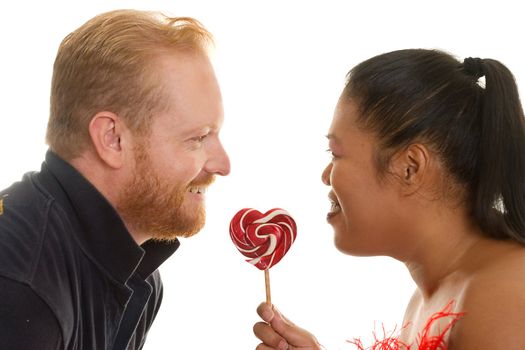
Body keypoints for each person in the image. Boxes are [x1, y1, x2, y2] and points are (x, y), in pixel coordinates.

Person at [254, 49, 525, 349]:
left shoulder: (502, 296)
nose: (325, 174)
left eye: (336, 154)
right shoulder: (428, 299)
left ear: (410, 167)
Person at [0, 9, 230, 349]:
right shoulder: (20, 286)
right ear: (113, 139)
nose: (222, 164)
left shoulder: (140, 273)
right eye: (198, 138)